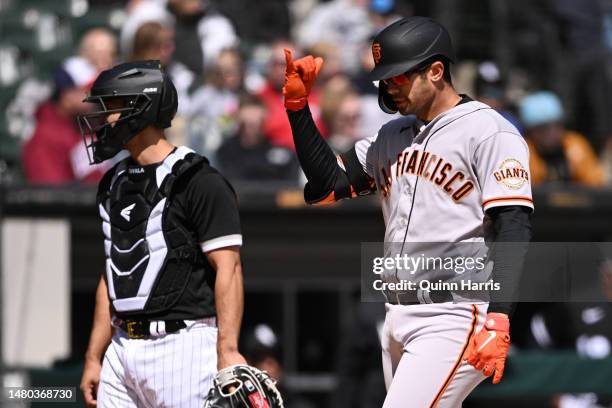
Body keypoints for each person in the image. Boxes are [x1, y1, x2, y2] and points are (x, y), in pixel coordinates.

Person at [283, 16, 533, 407]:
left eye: (398, 76)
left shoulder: (488, 130)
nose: (388, 86)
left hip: (453, 313)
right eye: (385, 78)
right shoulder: (391, 135)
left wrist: (500, 315)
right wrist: (299, 110)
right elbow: (328, 185)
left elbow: (514, 226)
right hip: (397, 314)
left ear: (435, 71)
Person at [79, 60, 247, 407]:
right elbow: (112, 273)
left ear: (141, 108)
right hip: (122, 347)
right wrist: (95, 356)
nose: (104, 118)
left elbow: (229, 268)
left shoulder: (199, 180)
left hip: (183, 345)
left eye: (112, 106)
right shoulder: (113, 182)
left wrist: (227, 349)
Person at [22, 57, 107, 184]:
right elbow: (50, 197)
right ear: (66, 96)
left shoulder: (83, 126)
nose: (94, 96)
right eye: (88, 90)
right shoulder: (44, 138)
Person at [519, 91, 605, 187]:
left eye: (557, 125)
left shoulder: (574, 144)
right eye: (543, 128)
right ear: (530, 131)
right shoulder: (523, 153)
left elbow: (595, 184)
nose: (552, 132)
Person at [216, 95, 299, 182]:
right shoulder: (225, 152)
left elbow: (290, 189)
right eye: (246, 123)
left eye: (257, 123)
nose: (250, 129)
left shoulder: (284, 153)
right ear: (239, 120)